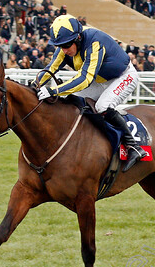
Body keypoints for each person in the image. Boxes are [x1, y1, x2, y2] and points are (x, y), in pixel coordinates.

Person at [34, 14, 147, 172]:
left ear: (78, 38)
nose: (64, 50)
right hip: (100, 79)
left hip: (124, 76)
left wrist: (54, 90)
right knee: (72, 102)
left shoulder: (94, 42)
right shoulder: (64, 47)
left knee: (102, 106)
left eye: (66, 45)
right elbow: (51, 68)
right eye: (60, 46)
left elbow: (84, 79)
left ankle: (133, 146)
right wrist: (35, 84)